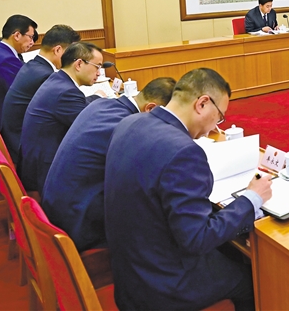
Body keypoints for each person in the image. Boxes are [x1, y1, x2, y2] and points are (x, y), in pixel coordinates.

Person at [104, 68, 272, 311]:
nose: (214, 128)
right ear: (202, 104)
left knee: (228, 253)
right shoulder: (183, 152)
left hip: (129, 272)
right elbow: (197, 239)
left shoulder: (129, 122)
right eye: (219, 117)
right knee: (252, 279)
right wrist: (252, 198)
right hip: (162, 286)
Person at [42, 77, 176, 252]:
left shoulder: (103, 104)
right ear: (150, 108)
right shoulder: (127, 127)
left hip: (57, 206)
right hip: (78, 222)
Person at [18, 42, 103, 194]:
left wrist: (97, 98)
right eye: (97, 66)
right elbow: (92, 126)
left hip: (36, 162)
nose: (99, 73)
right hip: (46, 172)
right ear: (79, 64)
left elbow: (80, 106)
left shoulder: (58, 80)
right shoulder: (66, 92)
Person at [1, 25, 81, 165]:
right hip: (26, 152)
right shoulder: (45, 76)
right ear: (58, 50)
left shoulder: (33, 66)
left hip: (15, 139)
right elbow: (72, 113)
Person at [0, 14, 37, 127]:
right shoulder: (8, 60)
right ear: (17, 35)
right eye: (30, 37)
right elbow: (23, 93)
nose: (32, 42)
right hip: (3, 122)